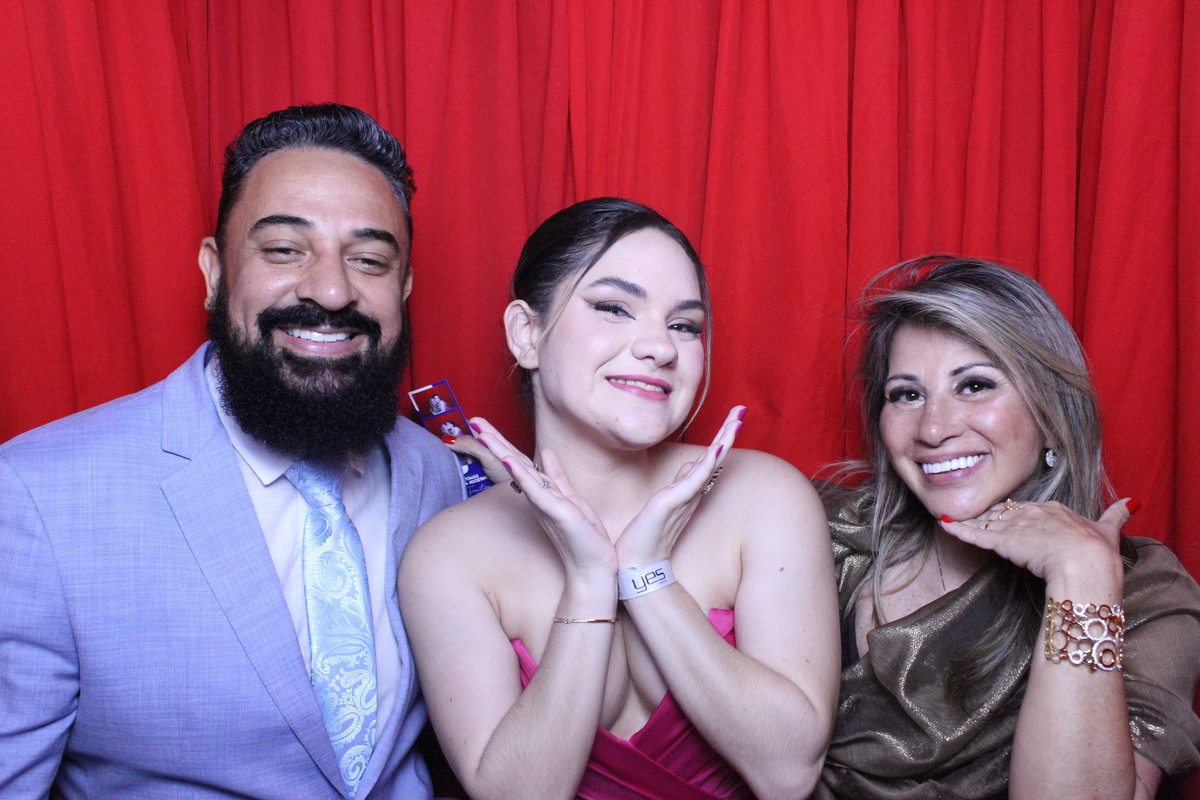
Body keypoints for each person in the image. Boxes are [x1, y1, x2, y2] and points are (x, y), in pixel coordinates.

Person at [0, 103, 465, 799]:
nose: (331, 290)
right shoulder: (40, 495)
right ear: (215, 272)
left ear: (403, 290)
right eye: (283, 250)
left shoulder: (434, 472)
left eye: (369, 260)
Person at [399, 197, 841, 800]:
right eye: (614, 308)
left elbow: (788, 774)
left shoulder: (765, 498)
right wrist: (589, 582)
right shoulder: (449, 553)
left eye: (684, 325)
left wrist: (646, 575)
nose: (661, 347)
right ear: (527, 334)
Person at [816, 256, 1200, 799]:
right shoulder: (826, 536)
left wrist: (1083, 580)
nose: (933, 429)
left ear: (1051, 414)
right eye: (907, 394)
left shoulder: (1147, 590)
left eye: (974, 385)